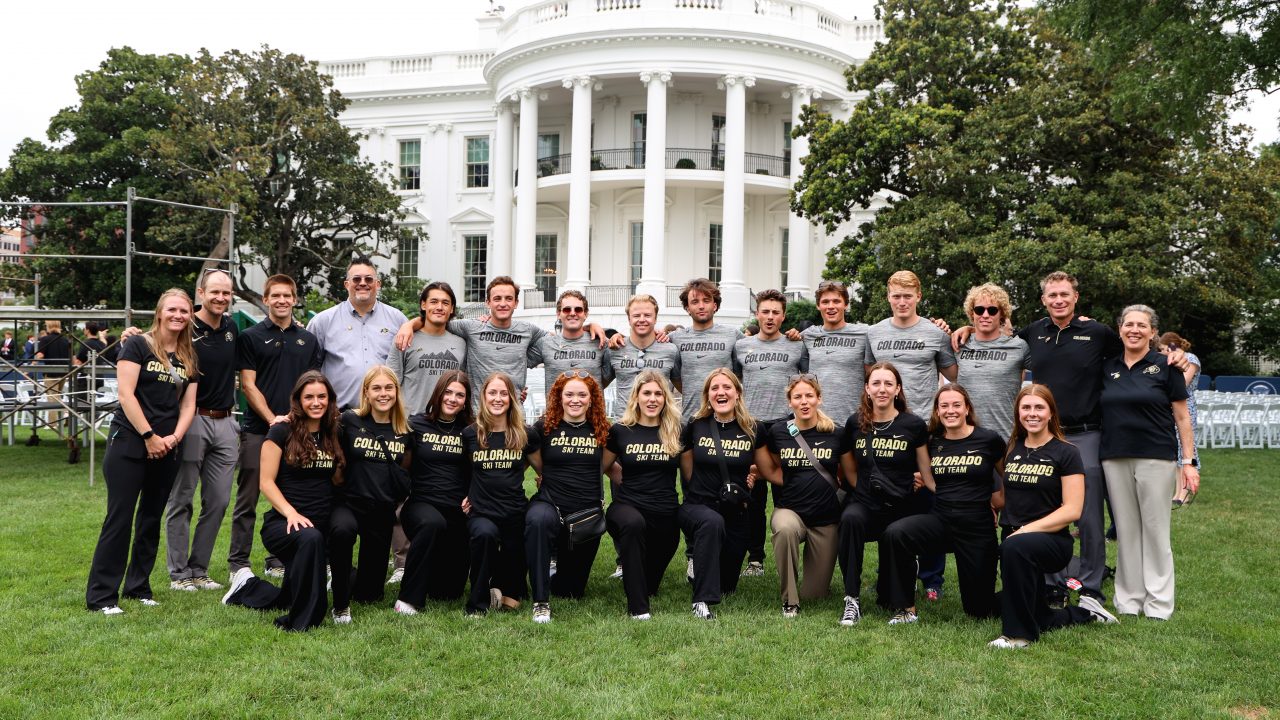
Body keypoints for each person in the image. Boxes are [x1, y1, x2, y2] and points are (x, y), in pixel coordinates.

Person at [86, 289, 198, 614]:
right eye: (173, 310)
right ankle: (102, 596)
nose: (179, 315)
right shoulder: (138, 345)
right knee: (119, 519)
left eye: (184, 311)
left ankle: (138, 587)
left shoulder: (189, 355)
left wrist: (173, 438)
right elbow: (126, 394)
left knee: (150, 519)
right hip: (131, 443)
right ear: (160, 312)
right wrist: (149, 435)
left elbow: (189, 404)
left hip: (168, 447)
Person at [990, 383, 1117, 648]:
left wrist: (1026, 530)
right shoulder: (1012, 448)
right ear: (1018, 413)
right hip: (1015, 537)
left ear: (1051, 413)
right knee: (1042, 615)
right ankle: (1087, 614)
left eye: (1039, 407)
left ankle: (1018, 636)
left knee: (1014, 547)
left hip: (1051, 540)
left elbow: (1072, 509)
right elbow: (1007, 494)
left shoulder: (1067, 452)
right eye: (1026, 408)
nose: (1032, 413)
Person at [222, 371, 344, 631]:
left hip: (320, 521)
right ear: (298, 400)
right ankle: (302, 621)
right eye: (308, 397)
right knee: (310, 538)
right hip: (285, 523)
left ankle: (245, 585)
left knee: (287, 595)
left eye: (322, 396)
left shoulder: (333, 431)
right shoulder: (281, 430)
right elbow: (266, 481)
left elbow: (337, 478)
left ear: (330, 399)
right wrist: (290, 513)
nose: (316, 402)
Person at [1100, 306, 1199, 620]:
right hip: (1114, 456)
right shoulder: (1107, 366)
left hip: (1156, 456)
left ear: (1152, 332)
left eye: (1141, 325)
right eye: (1128, 324)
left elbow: (1182, 417)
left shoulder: (1166, 365)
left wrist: (1188, 461)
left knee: (1155, 530)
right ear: (1120, 330)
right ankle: (1128, 600)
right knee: (1127, 530)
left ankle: (1158, 603)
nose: (1134, 330)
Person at [865, 271, 957, 600]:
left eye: (908, 296)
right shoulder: (874, 333)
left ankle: (932, 578)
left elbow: (955, 372)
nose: (902, 302)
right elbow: (871, 377)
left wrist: (964, 332)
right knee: (891, 501)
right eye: (896, 296)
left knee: (929, 503)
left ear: (919, 296)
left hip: (926, 429)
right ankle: (891, 570)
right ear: (888, 297)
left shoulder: (934, 333)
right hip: (888, 430)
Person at [881, 384, 1004, 624]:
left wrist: (996, 501)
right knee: (896, 534)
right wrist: (948, 493)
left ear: (967, 408)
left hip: (977, 527)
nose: (951, 411)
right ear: (937, 411)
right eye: (944, 406)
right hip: (941, 519)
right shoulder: (932, 442)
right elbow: (927, 478)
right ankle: (906, 609)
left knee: (979, 610)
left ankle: (1029, 595)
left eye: (956, 405)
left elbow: (1010, 475)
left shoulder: (988, 439)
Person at [230, 274, 322, 579]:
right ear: (266, 299)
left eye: (287, 296)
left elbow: (311, 386)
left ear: (295, 299)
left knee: (290, 494)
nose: (282, 301)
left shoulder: (308, 340)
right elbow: (248, 385)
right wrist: (272, 418)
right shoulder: (252, 337)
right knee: (249, 495)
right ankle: (239, 564)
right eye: (276, 296)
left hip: (298, 431)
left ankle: (279, 558)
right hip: (259, 428)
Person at [835, 362, 933, 626]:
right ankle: (851, 599)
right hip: (865, 503)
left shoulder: (913, 425)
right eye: (876, 383)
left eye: (888, 384)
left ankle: (898, 597)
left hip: (901, 504)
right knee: (850, 520)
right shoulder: (854, 423)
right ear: (867, 389)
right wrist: (867, 492)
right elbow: (850, 472)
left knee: (888, 598)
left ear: (898, 389)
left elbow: (926, 472)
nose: (882, 389)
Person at [165, 268, 239, 592]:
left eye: (226, 293)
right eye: (215, 292)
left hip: (226, 422)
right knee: (182, 498)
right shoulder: (184, 325)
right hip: (192, 419)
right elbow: (156, 343)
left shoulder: (232, 328)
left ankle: (200, 569)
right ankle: (179, 573)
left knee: (220, 501)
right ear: (201, 292)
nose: (221, 298)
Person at [678, 368, 769, 620]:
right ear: (708, 396)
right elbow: (687, 470)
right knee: (711, 522)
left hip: (735, 510)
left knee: (727, 586)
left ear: (737, 394)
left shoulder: (754, 428)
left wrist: (753, 473)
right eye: (715, 388)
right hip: (699, 506)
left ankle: (703, 564)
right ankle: (701, 601)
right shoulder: (695, 426)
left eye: (727, 387)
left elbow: (765, 467)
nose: (721, 392)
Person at [524, 370, 611, 623]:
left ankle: (552, 569)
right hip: (551, 505)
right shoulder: (544, 427)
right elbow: (526, 464)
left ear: (592, 398)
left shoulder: (602, 429)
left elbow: (611, 467)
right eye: (569, 394)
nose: (575, 400)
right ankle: (540, 602)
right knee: (538, 520)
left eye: (582, 394)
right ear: (558, 397)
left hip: (585, 515)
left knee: (571, 591)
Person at [329, 365, 412, 624]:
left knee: (369, 594)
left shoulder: (405, 431)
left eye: (389, 388)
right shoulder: (349, 420)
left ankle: (349, 576)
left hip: (382, 509)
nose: (383, 393)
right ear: (366, 392)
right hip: (350, 504)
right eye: (376, 388)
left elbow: (405, 468)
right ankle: (338, 576)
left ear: (397, 392)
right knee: (342, 532)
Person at [734, 288, 808, 577]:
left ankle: (787, 555)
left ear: (783, 316)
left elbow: (807, 382)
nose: (770, 316)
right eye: (765, 311)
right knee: (751, 491)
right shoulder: (742, 347)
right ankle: (755, 559)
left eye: (776, 312)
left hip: (784, 425)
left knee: (785, 490)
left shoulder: (797, 347)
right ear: (757, 313)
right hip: (750, 425)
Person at [756, 375, 842, 618]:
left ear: (818, 399)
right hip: (790, 510)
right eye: (797, 397)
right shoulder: (779, 432)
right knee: (783, 529)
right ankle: (789, 602)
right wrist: (795, 480)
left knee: (815, 594)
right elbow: (772, 467)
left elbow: (846, 474)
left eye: (809, 396)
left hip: (825, 519)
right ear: (790, 402)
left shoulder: (836, 432)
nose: (804, 402)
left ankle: (808, 590)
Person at [602, 370, 684, 620]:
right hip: (627, 507)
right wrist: (623, 479)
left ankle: (640, 582)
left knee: (651, 584)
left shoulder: (677, 431)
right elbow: (603, 465)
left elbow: (695, 469)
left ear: (665, 399)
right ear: (636, 396)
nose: (652, 399)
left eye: (658, 394)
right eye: (646, 393)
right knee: (633, 524)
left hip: (665, 513)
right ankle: (638, 609)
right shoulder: (621, 430)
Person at [395, 369, 474, 614]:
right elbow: (403, 465)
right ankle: (408, 600)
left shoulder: (471, 430)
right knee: (432, 523)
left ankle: (432, 575)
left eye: (459, 395)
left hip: (457, 510)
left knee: (448, 593)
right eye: (448, 392)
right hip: (421, 505)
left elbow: (481, 467)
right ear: (438, 394)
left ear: (465, 401)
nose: (452, 399)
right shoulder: (416, 424)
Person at [462, 372, 536, 616]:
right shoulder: (471, 434)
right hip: (481, 511)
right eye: (492, 392)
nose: (498, 398)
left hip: (514, 511)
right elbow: (462, 471)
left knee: (511, 600)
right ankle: (477, 603)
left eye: (503, 393)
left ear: (512, 398)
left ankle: (505, 588)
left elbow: (539, 466)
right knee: (484, 535)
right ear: (483, 397)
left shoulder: (523, 434)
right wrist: (464, 495)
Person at [307, 258, 410, 411]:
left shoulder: (398, 320)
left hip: (384, 416)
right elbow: (309, 370)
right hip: (338, 416)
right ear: (346, 284)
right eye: (356, 279)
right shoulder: (323, 322)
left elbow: (408, 365)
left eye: (369, 279)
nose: (363, 283)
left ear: (378, 284)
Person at [953, 283, 1030, 439]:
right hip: (965, 439)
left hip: (1006, 437)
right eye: (979, 310)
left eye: (992, 310)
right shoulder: (959, 344)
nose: (985, 315)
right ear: (972, 313)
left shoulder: (1019, 346)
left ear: (1001, 314)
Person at [798, 280, 873, 427]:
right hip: (818, 421)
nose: (831, 306)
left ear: (846, 304)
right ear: (818, 305)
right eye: (825, 302)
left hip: (856, 420)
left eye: (836, 301)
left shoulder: (865, 333)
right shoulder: (808, 335)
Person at [670, 279, 744, 422]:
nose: (701, 306)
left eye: (706, 300)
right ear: (687, 308)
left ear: (715, 305)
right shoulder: (675, 338)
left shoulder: (733, 335)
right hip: (691, 418)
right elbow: (676, 378)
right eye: (695, 302)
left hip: (726, 418)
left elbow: (740, 373)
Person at [389, 280, 467, 415]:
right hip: (410, 423)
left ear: (452, 309)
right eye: (434, 302)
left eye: (445, 303)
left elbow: (464, 386)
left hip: (447, 425)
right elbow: (391, 383)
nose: (439, 307)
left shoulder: (461, 344)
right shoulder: (404, 338)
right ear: (423, 305)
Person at [528, 290, 614, 402]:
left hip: (593, 417)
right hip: (556, 417)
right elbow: (516, 361)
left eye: (578, 309)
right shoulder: (545, 343)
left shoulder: (601, 342)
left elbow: (625, 350)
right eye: (567, 309)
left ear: (586, 314)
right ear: (558, 314)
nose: (572, 313)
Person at [608, 294, 681, 416]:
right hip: (624, 426)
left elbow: (684, 387)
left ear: (655, 318)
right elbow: (599, 384)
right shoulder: (615, 348)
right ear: (629, 319)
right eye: (636, 315)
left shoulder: (670, 350)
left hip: (660, 427)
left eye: (647, 315)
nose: (642, 319)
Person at [1159, 330, 1202, 495]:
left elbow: (1183, 382)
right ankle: (1177, 491)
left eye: (1164, 348)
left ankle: (1184, 493)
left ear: (1171, 347)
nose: (1162, 352)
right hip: (1171, 406)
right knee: (1176, 450)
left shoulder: (1190, 359)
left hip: (1186, 405)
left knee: (1185, 449)